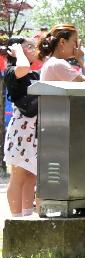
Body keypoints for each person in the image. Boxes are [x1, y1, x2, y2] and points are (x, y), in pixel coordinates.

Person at [3, 39, 40, 217]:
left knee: (31, 175)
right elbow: (22, 67)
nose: (34, 50)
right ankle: (16, 220)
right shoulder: (11, 71)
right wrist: (18, 53)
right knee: (18, 176)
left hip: (34, 132)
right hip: (20, 131)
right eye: (29, 47)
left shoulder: (34, 74)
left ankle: (28, 217)